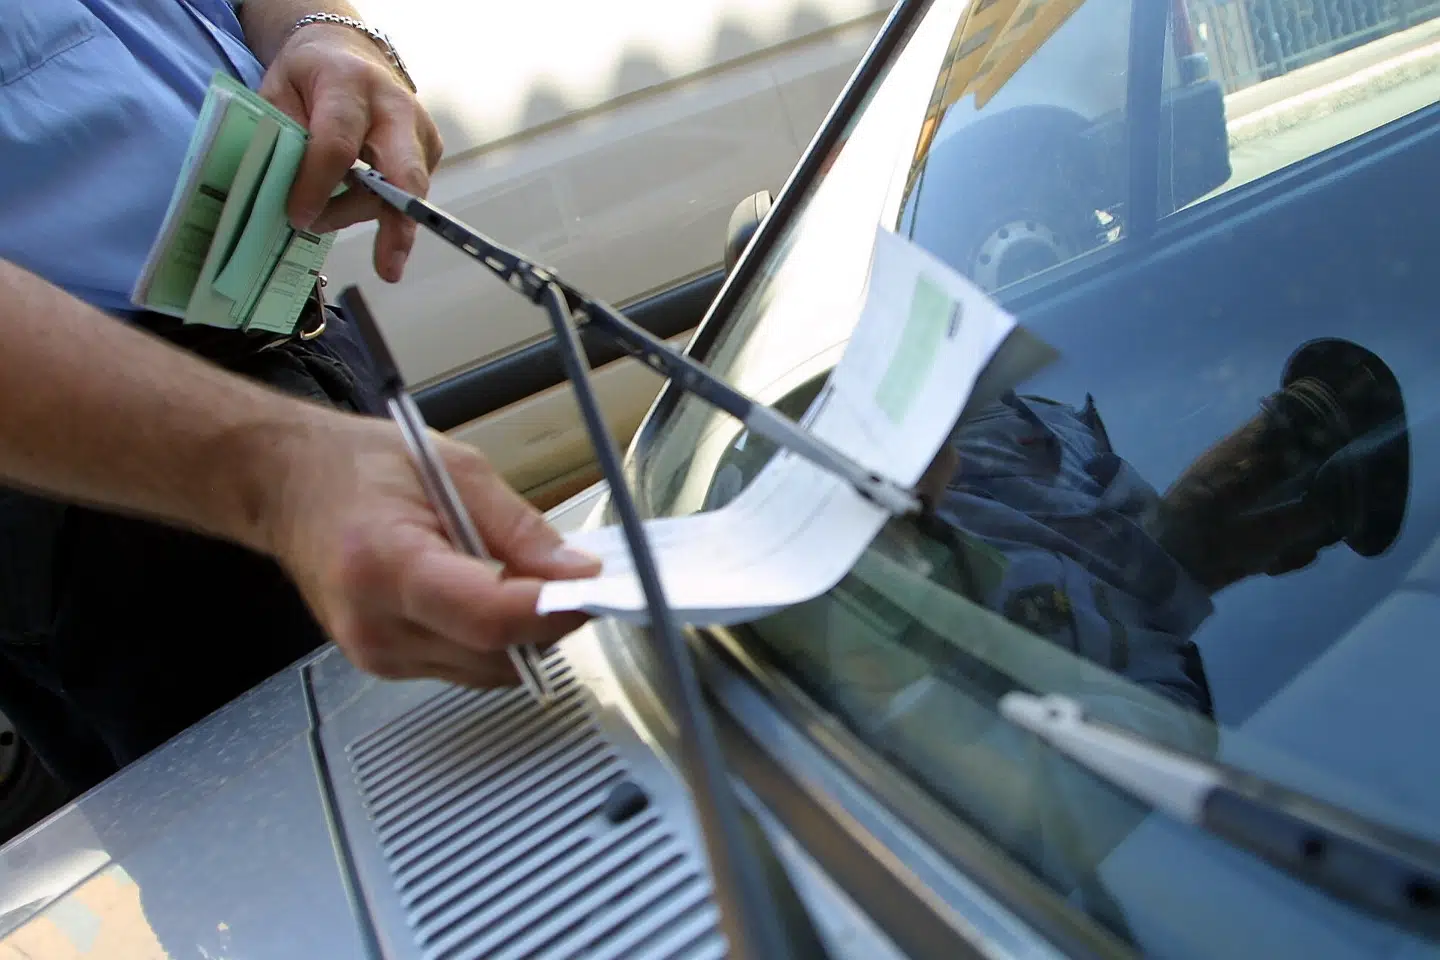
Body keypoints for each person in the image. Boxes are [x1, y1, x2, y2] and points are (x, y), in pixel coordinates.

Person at [0, 2, 601, 796]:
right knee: (347, 855)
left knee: (511, 776)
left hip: (295, 359)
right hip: (122, 488)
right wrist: (276, 474)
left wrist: (324, 32)